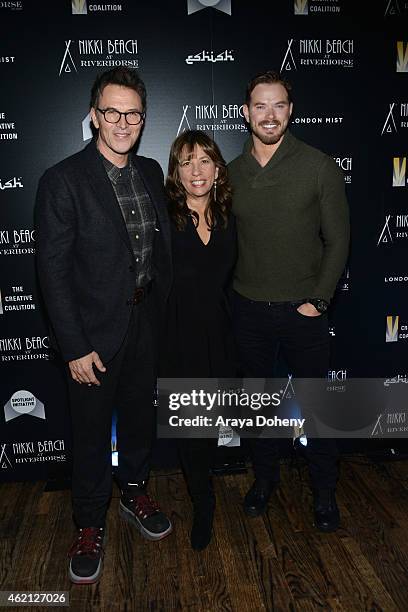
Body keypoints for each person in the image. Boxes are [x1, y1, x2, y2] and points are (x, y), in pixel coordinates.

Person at [35, 67, 172, 585]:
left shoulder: (153, 172)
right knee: (91, 435)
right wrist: (73, 345)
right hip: (91, 334)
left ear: (142, 119)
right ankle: (89, 523)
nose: (122, 122)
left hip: (145, 322)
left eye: (132, 113)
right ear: (94, 116)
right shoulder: (63, 180)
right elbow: (52, 270)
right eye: (111, 112)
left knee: (138, 421)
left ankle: (134, 492)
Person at [228, 71, 349, 531]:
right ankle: (263, 482)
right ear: (246, 113)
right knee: (257, 408)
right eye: (260, 106)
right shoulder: (231, 173)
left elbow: (338, 241)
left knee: (317, 408)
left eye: (278, 105)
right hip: (249, 310)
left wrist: (318, 301)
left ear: (290, 111)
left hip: (304, 312)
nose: (269, 115)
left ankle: (324, 493)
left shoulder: (319, 166)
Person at [162, 130, 236, 550]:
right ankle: (203, 502)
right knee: (191, 428)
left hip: (221, 332)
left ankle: (205, 486)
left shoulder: (228, 214)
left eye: (205, 161)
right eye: (187, 161)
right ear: (177, 168)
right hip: (177, 334)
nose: (196, 170)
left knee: (209, 423)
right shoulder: (165, 214)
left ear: (217, 168)